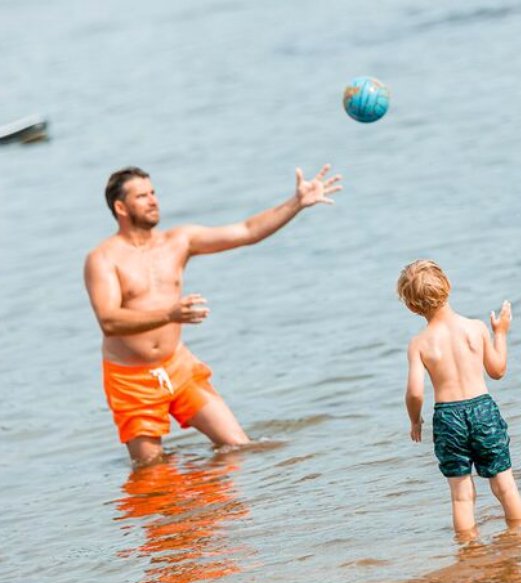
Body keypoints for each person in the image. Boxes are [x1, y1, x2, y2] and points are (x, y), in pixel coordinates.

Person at [85, 164, 342, 467]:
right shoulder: (103, 259)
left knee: (237, 446)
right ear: (120, 207)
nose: (153, 200)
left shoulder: (178, 241)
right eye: (142, 196)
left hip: (177, 366)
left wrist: (296, 203)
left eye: (153, 192)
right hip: (131, 380)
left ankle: (215, 504)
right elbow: (109, 321)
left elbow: (246, 231)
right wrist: (169, 314)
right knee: (150, 472)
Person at [397, 260, 521, 537]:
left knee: (461, 495)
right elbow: (498, 371)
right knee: (505, 485)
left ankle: (469, 552)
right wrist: (501, 333)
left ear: (410, 306)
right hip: (482, 409)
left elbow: (415, 392)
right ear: (449, 286)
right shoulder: (476, 328)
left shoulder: (419, 344)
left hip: (448, 417)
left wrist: (415, 420)